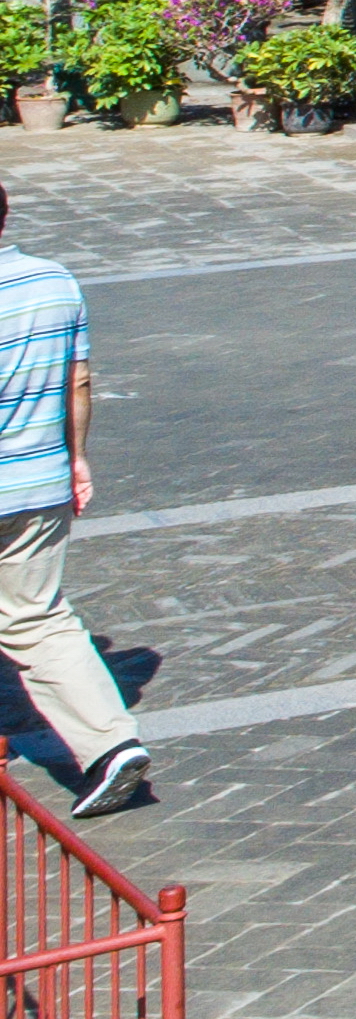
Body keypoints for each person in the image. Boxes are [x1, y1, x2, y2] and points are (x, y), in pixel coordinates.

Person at [0, 189, 151, 820]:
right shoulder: (54, 281)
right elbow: (78, 380)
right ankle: (113, 744)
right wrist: (76, 456)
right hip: (39, 479)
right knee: (38, 618)